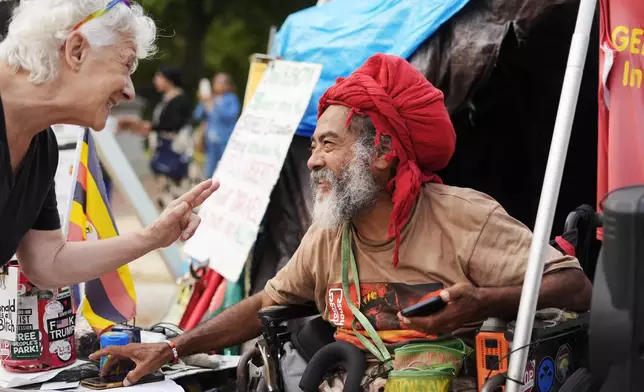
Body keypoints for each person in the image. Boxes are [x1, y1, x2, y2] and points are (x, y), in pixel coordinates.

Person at [91, 54, 592, 389]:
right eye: (313, 147)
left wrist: (481, 303)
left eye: (329, 145)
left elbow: (576, 287)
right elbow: (267, 304)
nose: (312, 162)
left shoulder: (464, 216)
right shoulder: (328, 234)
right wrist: (172, 348)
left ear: (384, 153)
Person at [0, 0, 218, 289]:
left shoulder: (41, 145)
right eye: (126, 64)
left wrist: (152, 237)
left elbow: (47, 261)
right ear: (77, 50)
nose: (129, 91)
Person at [118, 65, 194, 208]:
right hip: (165, 152)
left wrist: (147, 126)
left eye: (159, 77)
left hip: (175, 153)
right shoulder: (167, 99)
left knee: (177, 192)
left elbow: (173, 125)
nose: (155, 81)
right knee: (166, 191)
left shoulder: (179, 100)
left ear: (169, 80)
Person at [193, 72, 241, 179]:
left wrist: (215, 104)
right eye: (215, 82)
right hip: (210, 142)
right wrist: (202, 102)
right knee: (209, 170)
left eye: (220, 82)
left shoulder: (231, 99)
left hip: (225, 140)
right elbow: (197, 116)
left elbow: (231, 116)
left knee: (226, 170)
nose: (216, 84)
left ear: (227, 85)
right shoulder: (210, 98)